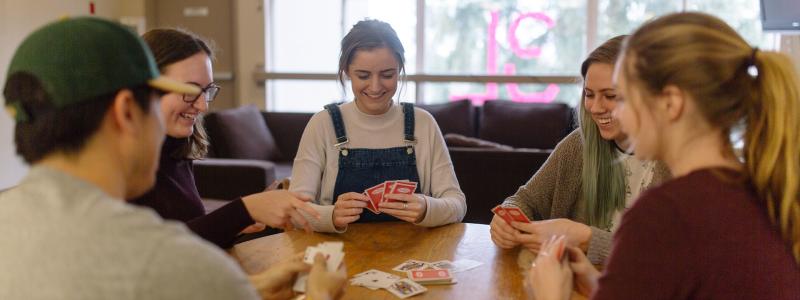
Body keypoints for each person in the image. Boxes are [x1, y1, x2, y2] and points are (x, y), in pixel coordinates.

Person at [0, 17, 345, 299]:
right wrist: (321, 296)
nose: (202, 107)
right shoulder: (167, 260)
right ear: (126, 112)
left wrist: (251, 287)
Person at [529, 12, 800, 299]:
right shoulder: (768, 192)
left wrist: (551, 294)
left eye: (624, 98)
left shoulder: (664, 214)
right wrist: (600, 285)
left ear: (671, 103)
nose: (615, 112)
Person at [129, 28, 320, 249]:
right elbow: (155, 250)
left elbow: (186, 232)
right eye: (190, 90)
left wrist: (237, 222)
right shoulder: (121, 168)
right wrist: (245, 210)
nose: (203, 106)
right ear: (146, 87)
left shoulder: (176, 147)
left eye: (207, 90)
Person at [490, 36, 671, 264]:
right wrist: (507, 219)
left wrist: (588, 239)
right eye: (589, 94)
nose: (595, 108)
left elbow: (672, 255)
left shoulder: (680, 160)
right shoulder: (578, 144)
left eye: (610, 96)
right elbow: (525, 200)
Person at [290, 19, 466, 232]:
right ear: (346, 71)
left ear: (400, 69)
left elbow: (457, 204)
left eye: (387, 75)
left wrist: (426, 208)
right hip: (339, 258)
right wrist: (332, 216)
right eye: (363, 75)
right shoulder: (322, 124)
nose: (375, 87)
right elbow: (296, 211)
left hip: (413, 255)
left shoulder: (423, 123)